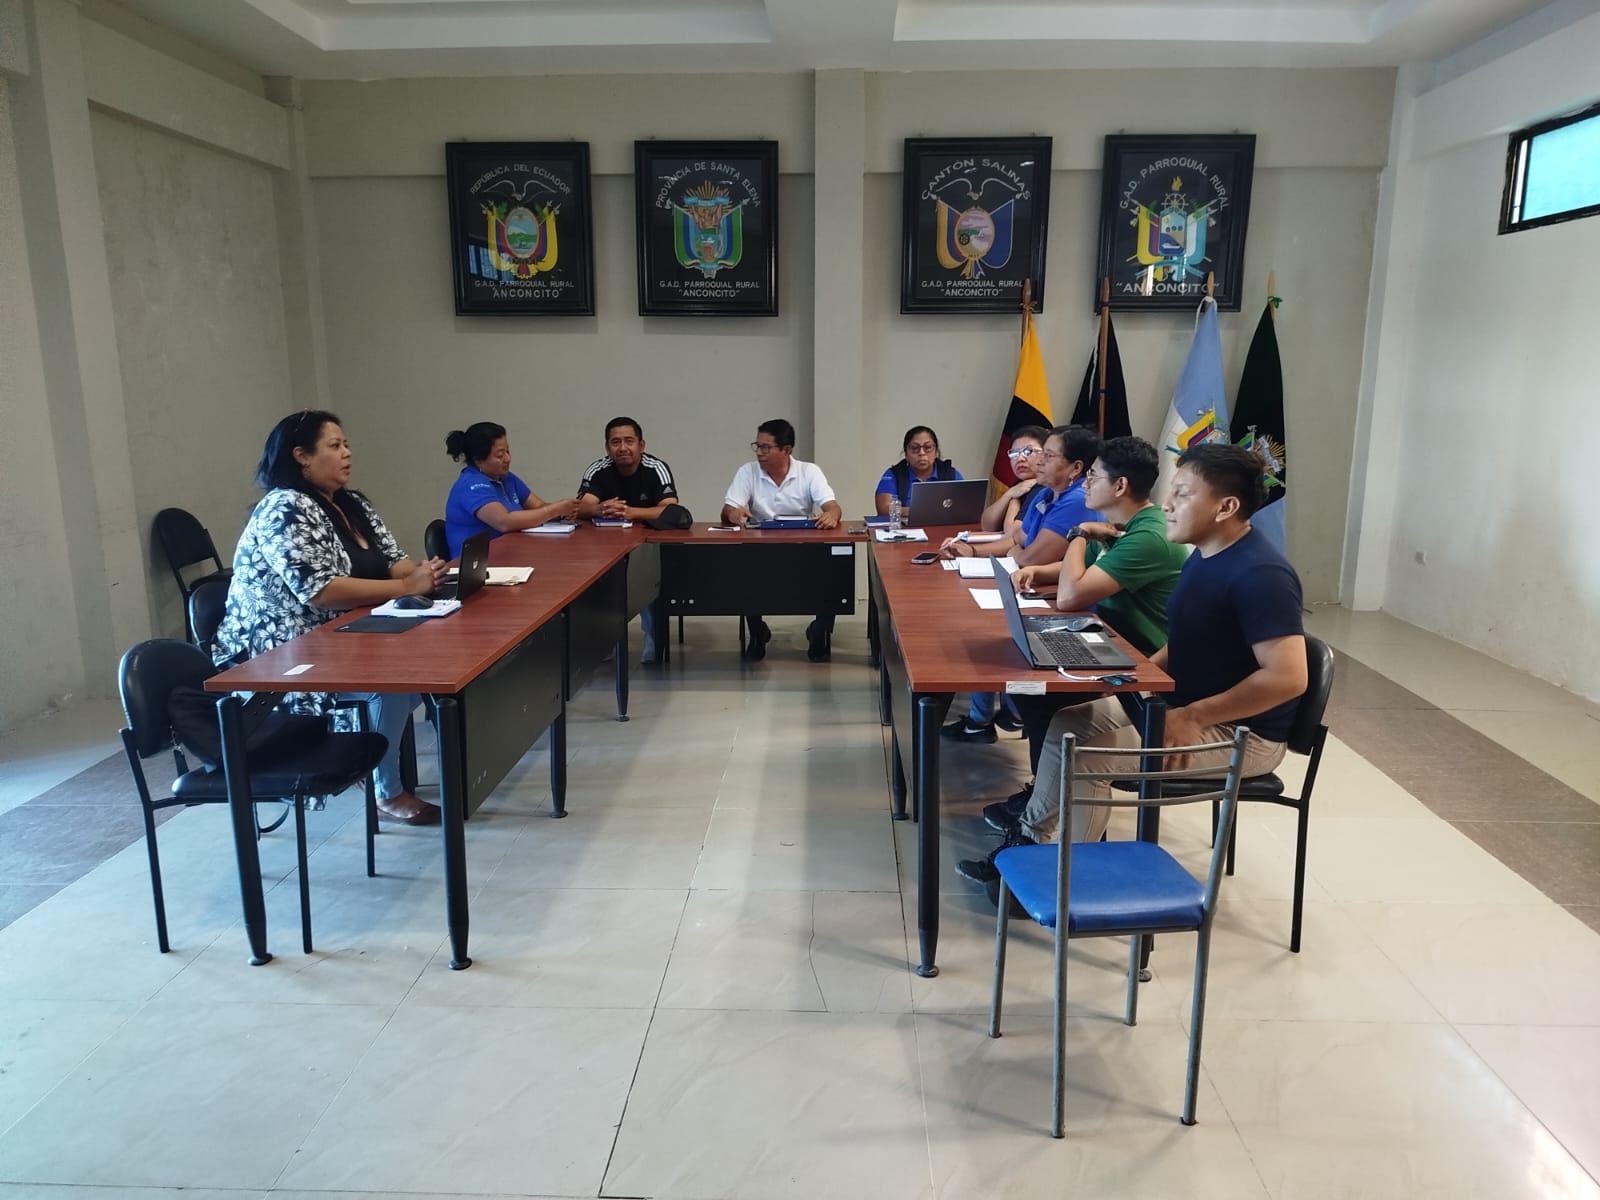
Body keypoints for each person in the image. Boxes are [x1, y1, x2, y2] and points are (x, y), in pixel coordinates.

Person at [956, 442, 1308, 901]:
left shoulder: (1261, 574)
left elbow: (1288, 677)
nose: (1167, 505)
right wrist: (1137, 677)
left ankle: (1065, 883)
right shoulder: (1205, 555)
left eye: (1183, 494)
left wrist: (1194, 716)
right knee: (1067, 724)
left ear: (1226, 507)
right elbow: (1189, 639)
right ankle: (1030, 845)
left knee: (1088, 756)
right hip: (1182, 704)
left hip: (1244, 732)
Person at [214, 410, 449, 825]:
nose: (347, 454)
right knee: (390, 688)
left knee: (423, 669)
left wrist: (422, 573)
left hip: (343, 637)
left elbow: (391, 558)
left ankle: (367, 758)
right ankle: (386, 792)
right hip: (282, 656)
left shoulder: (351, 503)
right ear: (302, 456)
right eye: (335, 446)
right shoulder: (284, 507)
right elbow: (320, 591)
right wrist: (404, 588)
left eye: (347, 445)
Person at [983, 436, 1189, 830]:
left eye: (1093, 476)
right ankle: (1045, 793)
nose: (1085, 484)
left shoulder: (1148, 535)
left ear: (1120, 486)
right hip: (1108, 642)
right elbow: (1080, 571)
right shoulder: (1119, 525)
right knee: (1029, 686)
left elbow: (1070, 595)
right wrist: (1037, 572)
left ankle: (1046, 803)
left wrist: (1078, 533)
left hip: (1143, 665)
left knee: (1043, 696)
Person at [939, 424, 1102, 742]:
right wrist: (975, 551)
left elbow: (1030, 557)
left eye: (1047, 455)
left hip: (1064, 605)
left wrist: (1021, 552)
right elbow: (1018, 540)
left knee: (989, 633)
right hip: (1036, 589)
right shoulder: (1045, 493)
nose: (1038, 461)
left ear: (1075, 468)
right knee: (978, 625)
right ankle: (990, 718)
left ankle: (998, 717)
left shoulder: (1076, 500)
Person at [721, 418, 844, 662]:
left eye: (766, 447)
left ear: (786, 450)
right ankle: (757, 632)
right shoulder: (748, 471)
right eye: (757, 446)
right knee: (743, 566)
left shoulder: (809, 472)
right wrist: (734, 514)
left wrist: (831, 515)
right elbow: (728, 510)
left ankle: (819, 631)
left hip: (803, 549)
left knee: (834, 569)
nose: (759, 453)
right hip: (760, 548)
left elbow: (833, 507)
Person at [576, 417, 679, 664]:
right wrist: (601, 508)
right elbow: (581, 507)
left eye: (629, 441)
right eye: (615, 442)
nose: (622, 448)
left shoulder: (656, 468)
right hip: (606, 546)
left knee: (645, 580)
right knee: (601, 583)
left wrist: (630, 512)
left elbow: (671, 509)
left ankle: (652, 638)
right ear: (607, 447)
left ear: (641, 445)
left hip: (648, 544)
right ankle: (607, 641)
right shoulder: (598, 469)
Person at [443, 421, 579, 558]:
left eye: (507, 451)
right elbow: (504, 522)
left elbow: (538, 506)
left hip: (510, 554)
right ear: (479, 460)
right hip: (480, 563)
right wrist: (554, 510)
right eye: (500, 455)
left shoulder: (506, 478)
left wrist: (562, 512)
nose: (508, 459)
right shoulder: (470, 485)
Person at [978, 425, 1049, 540]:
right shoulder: (1020, 484)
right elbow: (987, 526)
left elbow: (1012, 535)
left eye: (1028, 451)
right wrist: (1009, 494)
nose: (1020, 458)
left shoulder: (1043, 488)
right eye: (1014, 453)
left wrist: (1014, 499)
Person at [874, 425, 962, 515]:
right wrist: (922, 511)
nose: (922, 453)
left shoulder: (949, 473)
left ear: (936, 452)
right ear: (906, 454)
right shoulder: (895, 474)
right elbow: (884, 509)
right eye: (915, 448)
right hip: (906, 524)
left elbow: (966, 504)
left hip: (944, 523)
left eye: (928, 447)